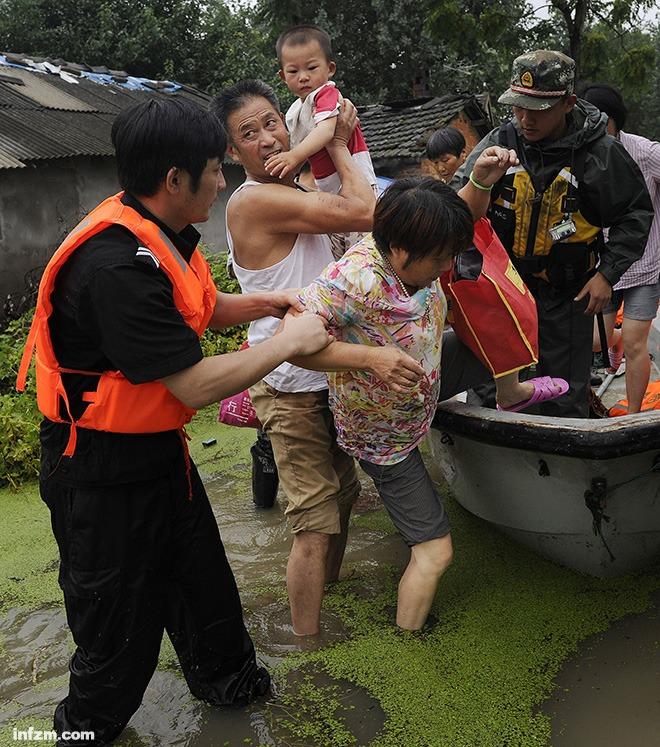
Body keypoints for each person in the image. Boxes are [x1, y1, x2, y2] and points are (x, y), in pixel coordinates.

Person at [17, 98, 332, 746]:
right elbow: (191, 382)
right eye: (216, 169)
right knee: (115, 645)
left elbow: (200, 304)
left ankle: (235, 693)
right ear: (175, 180)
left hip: (160, 454)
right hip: (99, 471)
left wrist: (266, 304)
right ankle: (76, 735)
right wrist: (285, 340)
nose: (224, 181)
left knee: (207, 595)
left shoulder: (159, 227)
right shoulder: (113, 268)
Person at [297, 178, 567, 630]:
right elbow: (294, 342)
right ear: (402, 251)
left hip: (424, 381)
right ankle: (407, 640)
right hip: (385, 433)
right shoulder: (353, 279)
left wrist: (480, 177)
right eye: (441, 258)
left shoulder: (417, 242)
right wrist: (370, 358)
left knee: (505, 330)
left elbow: (462, 213)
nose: (447, 266)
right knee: (436, 552)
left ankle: (511, 393)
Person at [213, 79, 423, 636]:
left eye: (271, 123)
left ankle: (326, 596)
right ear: (234, 154)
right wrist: (335, 142)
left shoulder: (297, 187)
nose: (266, 138)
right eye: (248, 134)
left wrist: (336, 141)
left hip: (328, 372)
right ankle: (307, 649)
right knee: (313, 519)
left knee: (345, 496)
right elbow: (369, 210)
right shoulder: (256, 199)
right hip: (289, 379)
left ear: (288, 123)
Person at [463, 50, 653, 417]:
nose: (525, 118)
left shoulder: (601, 153)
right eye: (518, 107)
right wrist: (478, 181)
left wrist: (606, 275)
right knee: (489, 388)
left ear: (568, 103)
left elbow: (635, 214)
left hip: (569, 292)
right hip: (503, 290)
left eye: (538, 109)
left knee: (565, 395)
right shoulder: (499, 142)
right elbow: (456, 210)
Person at [581, 84, 660, 413]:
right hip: (606, 267)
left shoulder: (644, 152)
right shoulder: (583, 155)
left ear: (611, 122)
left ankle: (632, 414)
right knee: (594, 340)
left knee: (635, 341)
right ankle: (612, 343)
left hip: (645, 262)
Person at [267, 24, 378, 255]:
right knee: (341, 251)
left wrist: (293, 156)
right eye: (293, 71)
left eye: (312, 67)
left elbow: (327, 132)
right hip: (331, 188)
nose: (304, 77)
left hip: (357, 182)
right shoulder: (295, 110)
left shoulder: (326, 94)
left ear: (330, 68)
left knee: (365, 248)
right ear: (282, 76)